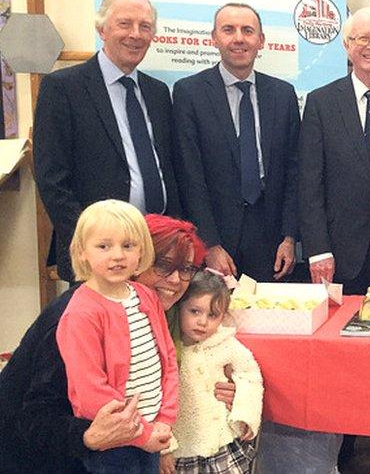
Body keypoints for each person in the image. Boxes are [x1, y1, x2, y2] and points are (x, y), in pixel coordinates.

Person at [0, 214, 221, 474]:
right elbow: (32, 417)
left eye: (185, 268)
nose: (175, 280)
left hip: (131, 441)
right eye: (163, 264)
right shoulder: (78, 314)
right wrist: (87, 436)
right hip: (39, 457)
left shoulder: (149, 304)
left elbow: (170, 367)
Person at [298, 6, 370, 470]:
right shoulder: (321, 102)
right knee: (342, 353)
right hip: (339, 252)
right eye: (361, 39)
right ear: (346, 46)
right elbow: (310, 182)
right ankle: (343, 437)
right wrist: (318, 246)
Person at [33, 0, 182, 282]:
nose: (135, 35)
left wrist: (173, 237)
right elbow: (52, 179)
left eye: (145, 26)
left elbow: (169, 171)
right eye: (125, 24)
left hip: (155, 249)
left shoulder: (158, 93)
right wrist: (91, 245)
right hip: (99, 256)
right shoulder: (63, 88)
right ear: (102, 29)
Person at [173, 3, 300, 283]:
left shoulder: (283, 95)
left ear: (261, 40)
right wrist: (209, 243)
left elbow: (294, 171)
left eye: (248, 30)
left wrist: (290, 238)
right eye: (228, 30)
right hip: (216, 234)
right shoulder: (189, 93)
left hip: (270, 237)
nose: (239, 38)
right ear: (214, 38)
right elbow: (189, 175)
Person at [55, 200, 179, 473]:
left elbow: (167, 359)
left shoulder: (145, 295)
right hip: (114, 445)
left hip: (152, 432)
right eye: (104, 246)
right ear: (82, 251)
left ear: (141, 251)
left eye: (128, 245)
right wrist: (141, 434)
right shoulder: (81, 313)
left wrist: (164, 419)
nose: (118, 256)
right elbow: (89, 390)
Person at [163, 270, 262, 474]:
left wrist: (246, 414)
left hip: (221, 443)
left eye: (212, 315)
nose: (202, 322)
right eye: (194, 311)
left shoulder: (225, 343)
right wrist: (165, 447)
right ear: (179, 307)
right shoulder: (168, 348)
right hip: (182, 448)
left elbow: (250, 376)